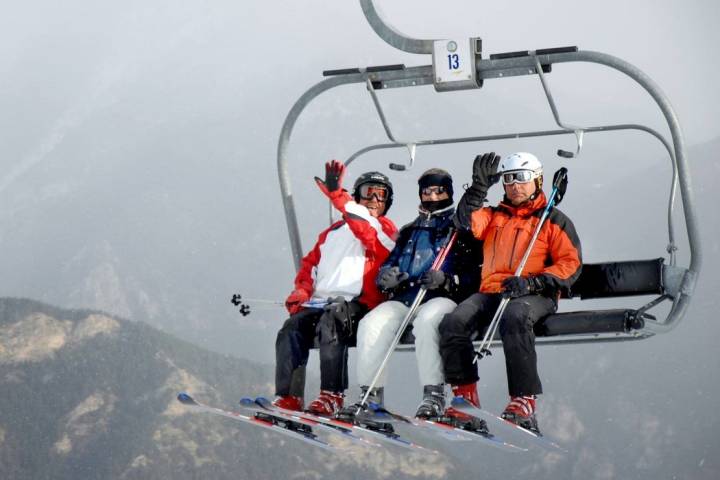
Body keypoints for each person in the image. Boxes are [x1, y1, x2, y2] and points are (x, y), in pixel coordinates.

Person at [438, 152, 582, 434]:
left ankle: (523, 400)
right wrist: (478, 190)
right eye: (509, 179)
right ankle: (465, 397)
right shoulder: (493, 216)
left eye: (522, 178)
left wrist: (533, 284)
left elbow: (570, 264)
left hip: (534, 294)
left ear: (538, 180)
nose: (515, 185)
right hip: (493, 290)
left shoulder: (552, 220)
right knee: (453, 323)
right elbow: (464, 222)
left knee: (515, 316)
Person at [337, 168, 481, 420]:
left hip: (440, 298)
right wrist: (387, 279)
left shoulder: (458, 229)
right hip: (405, 297)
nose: (433, 197)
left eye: (439, 191)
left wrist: (447, 281)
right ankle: (370, 396)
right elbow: (390, 262)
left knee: (427, 323)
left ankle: (433, 395)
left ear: (448, 192)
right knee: (371, 324)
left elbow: (474, 274)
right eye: (427, 191)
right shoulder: (410, 231)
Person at [273, 160, 398, 415]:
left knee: (332, 320)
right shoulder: (332, 233)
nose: (374, 198)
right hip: (322, 304)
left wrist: (337, 196)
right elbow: (310, 267)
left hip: (358, 306)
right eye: (368, 192)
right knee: (291, 328)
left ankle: (332, 395)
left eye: (381, 194)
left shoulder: (384, 229)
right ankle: (289, 396)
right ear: (357, 196)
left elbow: (365, 231)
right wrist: (302, 292)